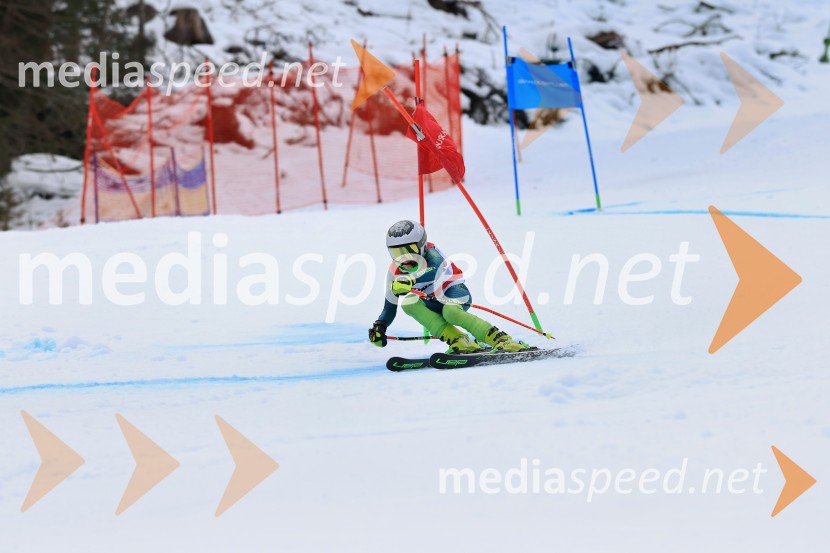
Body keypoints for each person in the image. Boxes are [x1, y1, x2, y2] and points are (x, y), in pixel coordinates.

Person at [368, 220, 530, 353]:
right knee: (408, 303)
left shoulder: (431, 253)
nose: (404, 258)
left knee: (450, 312)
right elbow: (390, 308)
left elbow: (436, 269)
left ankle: (500, 339)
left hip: (454, 293)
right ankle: (459, 340)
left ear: (422, 244)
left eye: (409, 250)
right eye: (396, 253)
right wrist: (380, 326)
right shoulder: (394, 272)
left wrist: (411, 279)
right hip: (431, 303)